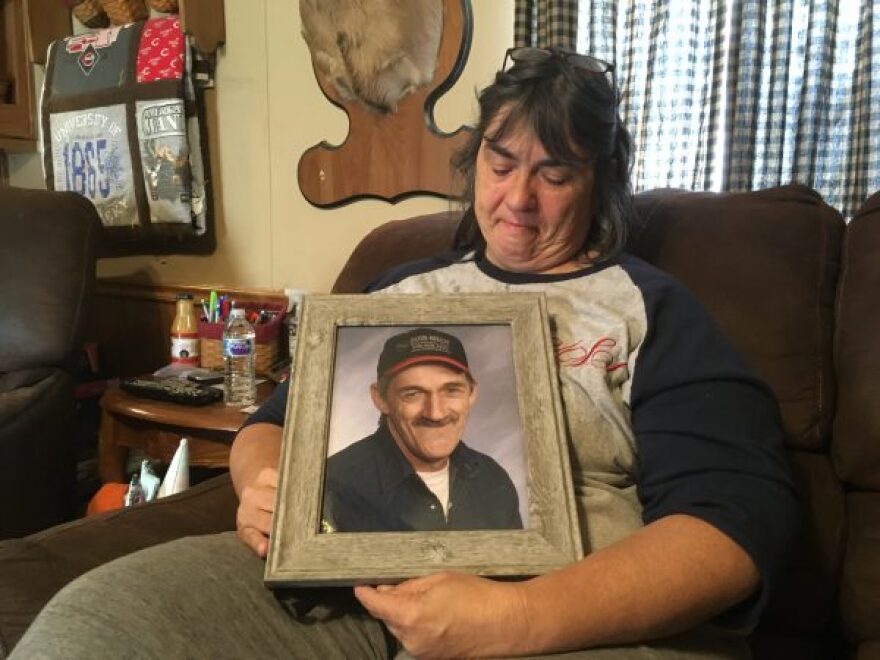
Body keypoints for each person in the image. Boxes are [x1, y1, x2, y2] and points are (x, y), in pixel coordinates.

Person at [11, 47, 798, 659]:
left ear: (600, 184)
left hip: (567, 610)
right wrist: (263, 483)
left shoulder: (644, 305)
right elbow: (275, 422)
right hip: (347, 586)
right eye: (499, 164)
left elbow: (736, 522)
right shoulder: (396, 290)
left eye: (555, 174)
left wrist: (516, 616)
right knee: (96, 624)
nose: (518, 201)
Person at [321, 327, 523, 533]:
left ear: (471, 395)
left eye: (452, 390)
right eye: (413, 394)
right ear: (380, 399)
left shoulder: (492, 479)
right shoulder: (332, 487)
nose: (435, 413)